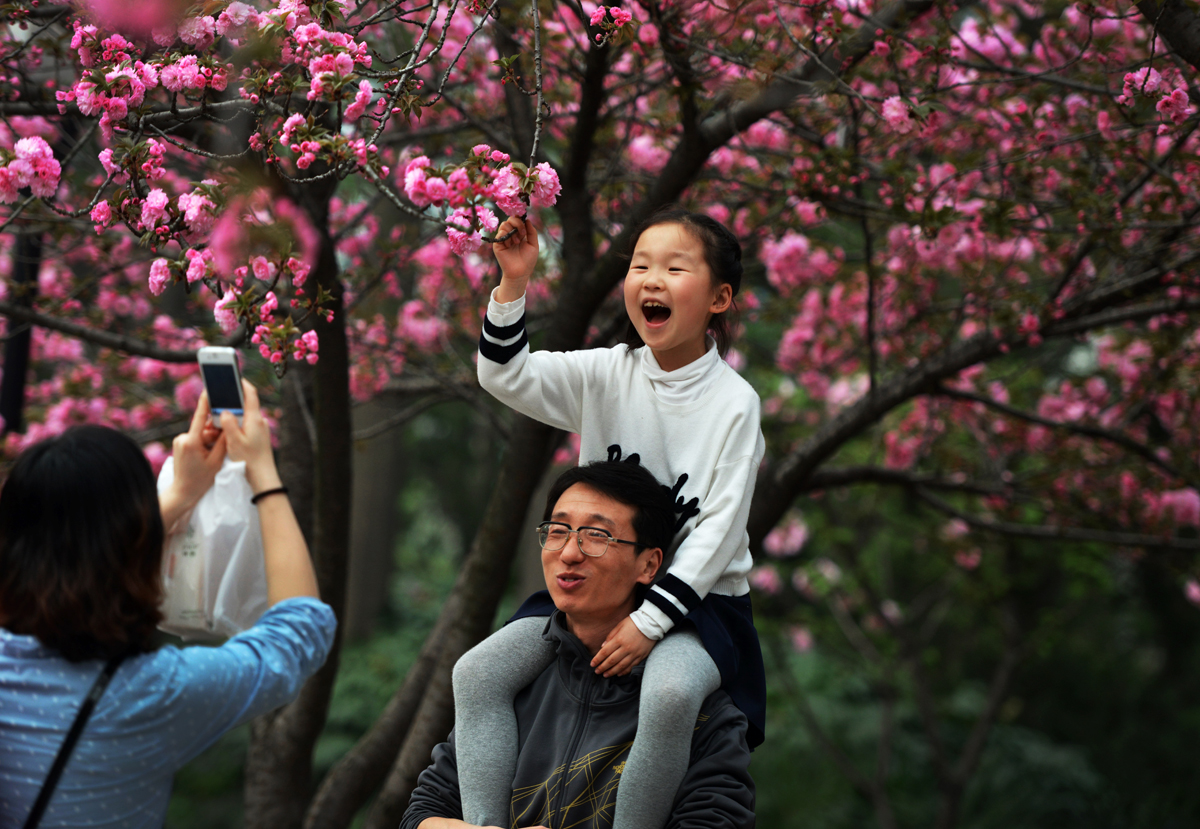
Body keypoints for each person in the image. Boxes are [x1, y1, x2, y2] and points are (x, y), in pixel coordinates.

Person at [454, 206, 766, 829]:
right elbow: (503, 373)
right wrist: (513, 284)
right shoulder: (607, 371)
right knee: (477, 672)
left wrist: (650, 623)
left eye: (675, 268)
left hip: (697, 605)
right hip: (602, 585)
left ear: (719, 298)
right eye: (640, 265)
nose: (651, 279)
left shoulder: (735, 403)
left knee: (673, 693)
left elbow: (719, 530)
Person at [0, 382, 336, 828]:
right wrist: (262, 472)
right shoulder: (152, 695)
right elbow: (300, 631)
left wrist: (180, 493)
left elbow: (70, 557)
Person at [404, 460, 755, 829]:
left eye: (597, 536)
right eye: (558, 531)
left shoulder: (702, 714)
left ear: (649, 565)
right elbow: (423, 813)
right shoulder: (509, 690)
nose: (569, 553)